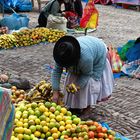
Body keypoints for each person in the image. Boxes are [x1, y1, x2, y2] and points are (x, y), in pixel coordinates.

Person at [51, 35, 114, 117]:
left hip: (98, 53)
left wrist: (77, 86)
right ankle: (75, 106)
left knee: (89, 83)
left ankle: (87, 108)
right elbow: (56, 71)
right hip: (87, 48)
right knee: (72, 78)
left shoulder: (85, 58)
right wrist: (55, 91)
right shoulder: (61, 54)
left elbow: (87, 74)